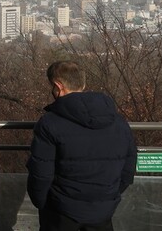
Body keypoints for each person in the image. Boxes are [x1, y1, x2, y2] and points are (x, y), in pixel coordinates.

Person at [27, 60, 137, 231]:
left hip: (61, 211)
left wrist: (41, 202)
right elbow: (128, 169)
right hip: (103, 210)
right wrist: (109, 196)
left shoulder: (50, 123)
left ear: (58, 86)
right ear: (83, 84)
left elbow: (41, 173)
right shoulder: (118, 121)